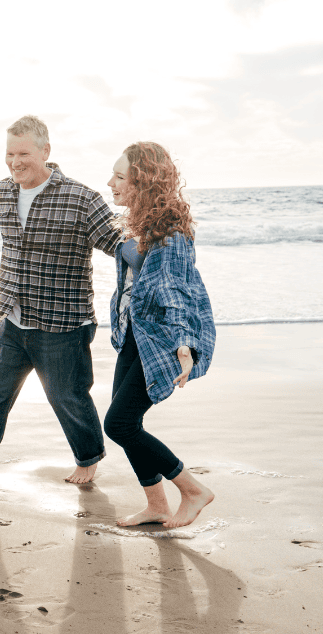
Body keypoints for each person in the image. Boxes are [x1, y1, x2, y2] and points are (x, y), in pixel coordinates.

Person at [0, 115, 122, 489]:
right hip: (13, 319)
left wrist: (157, 260)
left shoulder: (81, 198)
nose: (15, 161)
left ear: (45, 151)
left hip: (62, 323)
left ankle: (88, 459)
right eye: (9, 153)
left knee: (67, 397)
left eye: (23, 152)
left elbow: (117, 242)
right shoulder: (4, 191)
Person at [103, 142, 217, 528]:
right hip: (138, 335)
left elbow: (177, 291)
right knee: (125, 425)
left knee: (119, 424)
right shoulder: (141, 224)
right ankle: (157, 506)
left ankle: (192, 490)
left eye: (120, 177)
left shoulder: (169, 233)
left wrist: (185, 344)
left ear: (143, 182)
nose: (110, 183)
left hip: (164, 340)